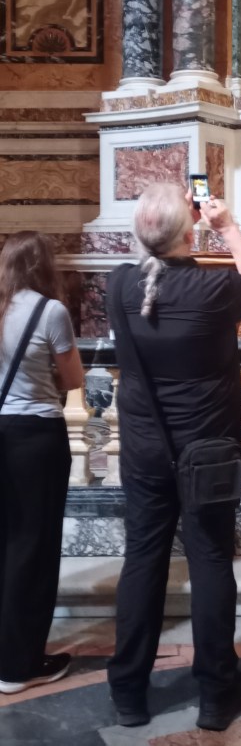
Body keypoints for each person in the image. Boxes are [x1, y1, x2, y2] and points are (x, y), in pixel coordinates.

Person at [106, 183, 241, 730]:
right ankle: (215, 692)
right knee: (208, 562)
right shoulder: (212, 287)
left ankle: (128, 692)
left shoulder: (119, 283)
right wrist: (225, 227)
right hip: (205, 448)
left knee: (143, 560)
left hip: (145, 448)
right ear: (188, 232)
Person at [0, 232, 84, 694]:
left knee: (4, 542)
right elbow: (72, 379)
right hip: (35, 435)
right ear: (42, 265)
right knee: (33, 547)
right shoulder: (48, 311)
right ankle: (18, 664)